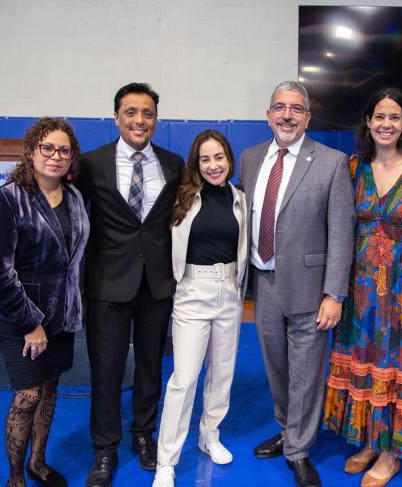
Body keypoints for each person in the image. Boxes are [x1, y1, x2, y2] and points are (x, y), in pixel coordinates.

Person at [323, 87, 402, 487]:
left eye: (394, 117)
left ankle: (391, 453)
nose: (386, 124)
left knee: (396, 368)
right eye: (379, 117)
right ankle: (371, 442)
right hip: (359, 290)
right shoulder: (353, 167)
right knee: (364, 362)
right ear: (368, 122)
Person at [240, 81, 354, 487]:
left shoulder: (331, 162)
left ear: (308, 116)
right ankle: (288, 429)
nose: (287, 115)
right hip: (263, 282)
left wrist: (334, 294)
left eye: (296, 108)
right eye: (279, 107)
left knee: (306, 371)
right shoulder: (251, 159)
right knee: (277, 368)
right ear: (269, 114)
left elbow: (341, 232)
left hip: (310, 287)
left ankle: (300, 449)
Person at [77, 83, 184, 487]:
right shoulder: (91, 164)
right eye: (131, 112)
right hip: (107, 284)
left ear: (156, 119)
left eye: (148, 113)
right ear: (116, 117)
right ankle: (104, 449)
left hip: (157, 284)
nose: (140, 120)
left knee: (150, 367)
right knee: (105, 369)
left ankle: (143, 434)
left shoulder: (174, 165)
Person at [0, 117, 89, 487]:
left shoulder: (74, 197)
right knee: (27, 395)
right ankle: (14, 477)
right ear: (31, 152)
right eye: (47, 148)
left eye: (63, 150)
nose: (55, 156)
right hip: (19, 317)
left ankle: (38, 463)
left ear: (71, 157)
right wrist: (31, 324)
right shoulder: (6, 198)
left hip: (62, 316)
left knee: (49, 390)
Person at [152, 129, 247, 487]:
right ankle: (167, 460)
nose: (213, 165)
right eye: (205, 159)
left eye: (218, 157)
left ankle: (209, 436)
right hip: (192, 291)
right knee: (184, 378)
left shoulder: (240, 199)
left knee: (222, 373)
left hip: (229, 291)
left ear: (229, 159)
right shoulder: (184, 198)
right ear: (196, 164)